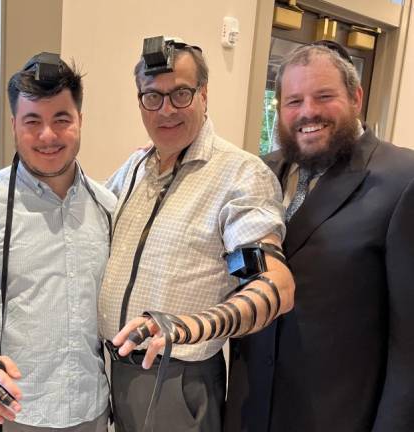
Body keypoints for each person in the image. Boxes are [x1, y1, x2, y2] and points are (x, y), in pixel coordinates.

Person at [98, 37, 295, 432]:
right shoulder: (135, 167)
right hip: (111, 371)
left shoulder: (241, 175)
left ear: (204, 95)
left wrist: (190, 326)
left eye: (181, 94)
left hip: (176, 379)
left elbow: (274, 284)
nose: (166, 109)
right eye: (152, 97)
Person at [224, 43, 414, 432]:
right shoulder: (259, 173)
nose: (308, 112)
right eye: (294, 101)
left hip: (336, 415)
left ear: (356, 97)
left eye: (324, 96)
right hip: (249, 409)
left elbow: (410, 343)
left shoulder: (403, 180)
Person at [0, 52, 113, 432]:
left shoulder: (107, 205)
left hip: (90, 410)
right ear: (14, 124)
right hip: (9, 410)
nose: (47, 135)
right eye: (33, 121)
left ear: (80, 120)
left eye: (61, 119)